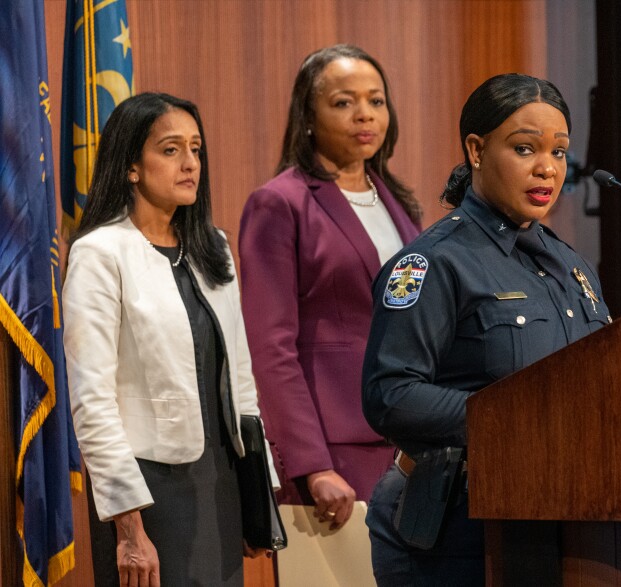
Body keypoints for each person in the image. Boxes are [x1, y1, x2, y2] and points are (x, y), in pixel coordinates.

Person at [361, 73, 612, 585]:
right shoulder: (433, 263)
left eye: (560, 153)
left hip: (558, 523)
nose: (547, 168)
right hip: (452, 531)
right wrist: (517, 417)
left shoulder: (572, 266)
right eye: (525, 149)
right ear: (476, 150)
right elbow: (391, 394)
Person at [63, 92, 277, 587]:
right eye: (171, 149)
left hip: (220, 481)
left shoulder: (213, 247)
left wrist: (255, 496)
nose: (190, 164)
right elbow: (93, 401)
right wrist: (130, 528)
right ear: (132, 166)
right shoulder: (101, 253)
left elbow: (240, 378)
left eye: (197, 149)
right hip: (149, 490)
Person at [239, 44, 421, 529]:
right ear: (309, 115)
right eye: (343, 102)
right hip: (333, 450)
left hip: (407, 442)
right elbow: (270, 346)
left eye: (376, 100)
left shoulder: (398, 204)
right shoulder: (279, 204)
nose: (365, 114)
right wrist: (311, 462)